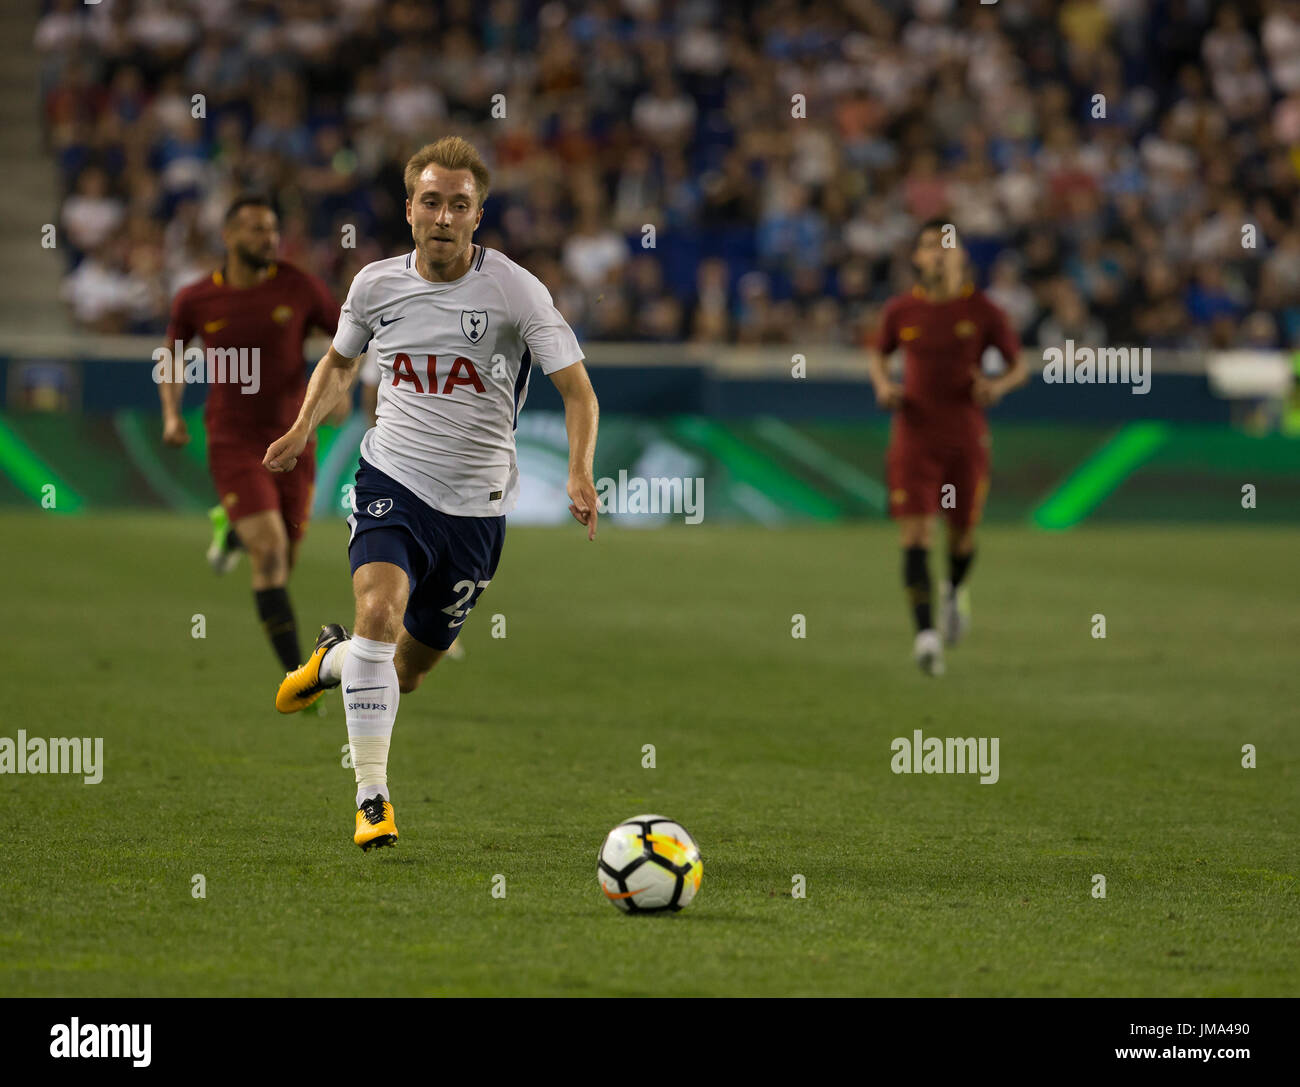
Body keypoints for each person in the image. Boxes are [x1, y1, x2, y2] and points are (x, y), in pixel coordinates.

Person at [265, 136, 600, 851]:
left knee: (407, 672)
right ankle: (372, 796)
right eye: (431, 201)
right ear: (410, 208)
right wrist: (300, 430)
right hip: (392, 478)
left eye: (460, 205)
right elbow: (337, 362)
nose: (444, 216)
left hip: (477, 511)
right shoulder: (375, 285)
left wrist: (577, 469)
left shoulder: (516, 289)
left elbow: (578, 391)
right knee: (379, 611)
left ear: (478, 215)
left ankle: (331, 659)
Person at [160, 194, 346, 674]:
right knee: (269, 554)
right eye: (256, 229)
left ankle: (231, 529)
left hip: (293, 440)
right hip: (232, 439)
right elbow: (173, 357)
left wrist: (339, 387)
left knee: (284, 562)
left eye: (272, 229)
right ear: (228, 237)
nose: (269, 238)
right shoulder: (197, 298)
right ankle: (297, 681)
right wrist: (172, 415)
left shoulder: (299, 287)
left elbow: (349, 333)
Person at [866, 220, 1028, 676]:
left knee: (961, 536)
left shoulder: (983, 311)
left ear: (961, 257)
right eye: (927, 246)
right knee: (915, 535)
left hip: (964, 437)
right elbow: (879, 352)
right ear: (916, 258)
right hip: (914, 437)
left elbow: (1019, 366)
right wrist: (883, 385)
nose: (935, 253)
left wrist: (998, 387)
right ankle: (925, 636)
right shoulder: (901, 311)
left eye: (945, 246)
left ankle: (954, 592)